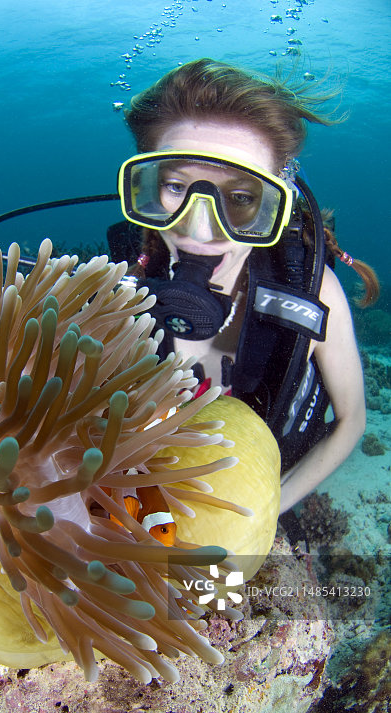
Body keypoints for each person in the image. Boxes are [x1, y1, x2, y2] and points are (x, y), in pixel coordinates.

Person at [110, 58, 379, 515]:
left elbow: (351, 420)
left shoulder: (314, 293)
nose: (201, 230)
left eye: (239, 198)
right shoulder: (117, 285)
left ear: (274, 203)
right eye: (177, 185)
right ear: (149, 188)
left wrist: (266, 516)